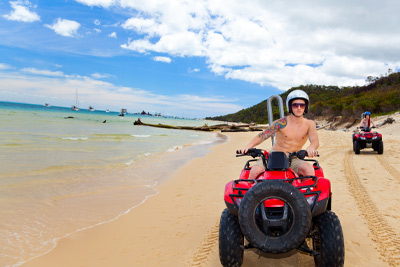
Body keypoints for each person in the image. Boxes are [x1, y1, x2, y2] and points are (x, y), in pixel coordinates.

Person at [238, 90, 319, 179]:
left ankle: (304, 192)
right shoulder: (281, 123)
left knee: (308, 169)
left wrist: (311, 148)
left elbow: (315, 140)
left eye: (302, 105)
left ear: (305, 107)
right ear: (290, 106)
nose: (299, 108)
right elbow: (263, 135)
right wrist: (248, 146)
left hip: (294, 158)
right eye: (295, 105)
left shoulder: (309, 124)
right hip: (274, 156)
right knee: (255, 171)